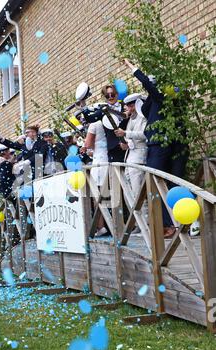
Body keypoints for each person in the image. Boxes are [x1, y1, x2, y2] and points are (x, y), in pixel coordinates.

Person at [124, 59, 189, 238]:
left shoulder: (163, 97)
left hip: (163, 147)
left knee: (160, 184)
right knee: (164, 185)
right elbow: (146, 106)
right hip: (167, 145)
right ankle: (172, 224)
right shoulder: (154, 101)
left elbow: (148, 85)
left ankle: (171, 225)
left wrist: (133, 68)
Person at [115, 93, 148, 233]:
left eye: (132, 104)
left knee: (139, 193)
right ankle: (138, 224)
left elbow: (144, 134)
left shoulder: (143, 117)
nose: (130, 108)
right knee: (130, 194)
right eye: (128, 105)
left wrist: (126, 134)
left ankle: (146, 225)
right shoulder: (129, 119)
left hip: (139, 158)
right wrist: (126, 144)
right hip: (129, 157)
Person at [81, 120, 109, 237]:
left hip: (99, 164)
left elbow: (87, 145)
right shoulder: (107, 123)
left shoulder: (94, 124)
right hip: (107, 159)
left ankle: (101, 226)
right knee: (106, 195)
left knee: (97, 196)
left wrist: (83, 147)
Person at [101, 85, 128, 163]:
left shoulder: (126, 106)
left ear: (117, 94)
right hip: (113, 149)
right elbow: (90, 118)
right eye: (107, 95)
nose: (110, 97)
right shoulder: (102, 110)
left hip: (129, 145)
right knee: (117, 174)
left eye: (112, 94)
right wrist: (83, 107)